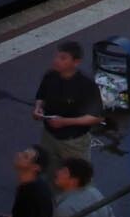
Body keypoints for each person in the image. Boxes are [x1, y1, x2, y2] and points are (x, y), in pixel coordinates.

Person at [32, 40, 104, 177]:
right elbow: (41, 96)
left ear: (76, 62)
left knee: (77, 176)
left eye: (63, 58)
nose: (56, 61)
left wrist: (65, 122)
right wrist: (38, 108)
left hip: (73, 142)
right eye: (57, 56)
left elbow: (96, 117)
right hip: (48, 136)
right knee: (49, 171)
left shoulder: (85, 85)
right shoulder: (50, 76)